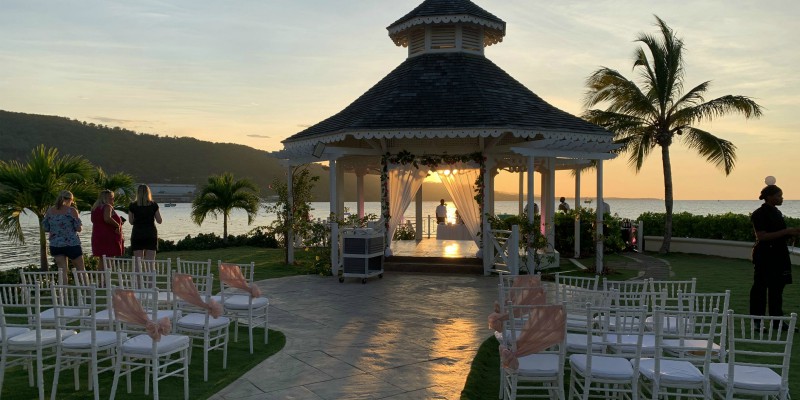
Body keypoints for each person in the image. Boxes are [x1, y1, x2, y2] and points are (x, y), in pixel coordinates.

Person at [750, 183, 800, 330]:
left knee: (777, 289)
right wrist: (786, 232)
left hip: (779, 255)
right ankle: (757, 321)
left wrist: (789, 234)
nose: (782, 198)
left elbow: (777, 233)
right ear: (769, 197)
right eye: (779, 195)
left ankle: (777, 321)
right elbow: (762, 236)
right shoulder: (759, 214)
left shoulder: (777, 213)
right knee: (760, 288)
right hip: (765, 256)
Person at [42, 190, 86, 284]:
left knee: (62, 271)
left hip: (56, 244)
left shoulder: (50, 211)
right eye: (72, 200)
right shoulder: (71, 211)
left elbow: (45, 227)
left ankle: (63, 295)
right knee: (81, 269)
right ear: (70, 199)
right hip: (71, 243)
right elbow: (78, 228)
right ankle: (88, 291)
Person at [128, 184, 162, 260]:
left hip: (137, 233)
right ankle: (150, 272)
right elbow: (159, 221)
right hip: (150, 233)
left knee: (138, 261)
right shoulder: (153, 205)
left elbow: (131, 221)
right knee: (150, 261)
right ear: (148, 192)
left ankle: (138, 272)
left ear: (138, 193)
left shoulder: (132, 205)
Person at [91, 189, 124, 264]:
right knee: (109, 260)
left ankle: (101, 275)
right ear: (105, 198)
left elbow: (93, 220)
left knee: (102, 261)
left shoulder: (95, 208)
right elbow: (107, 218)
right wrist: (117, 225)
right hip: (108, 237)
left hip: (98, 235)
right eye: (111, 197)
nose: (113, 199)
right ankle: (106, 275)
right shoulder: (107, 206)